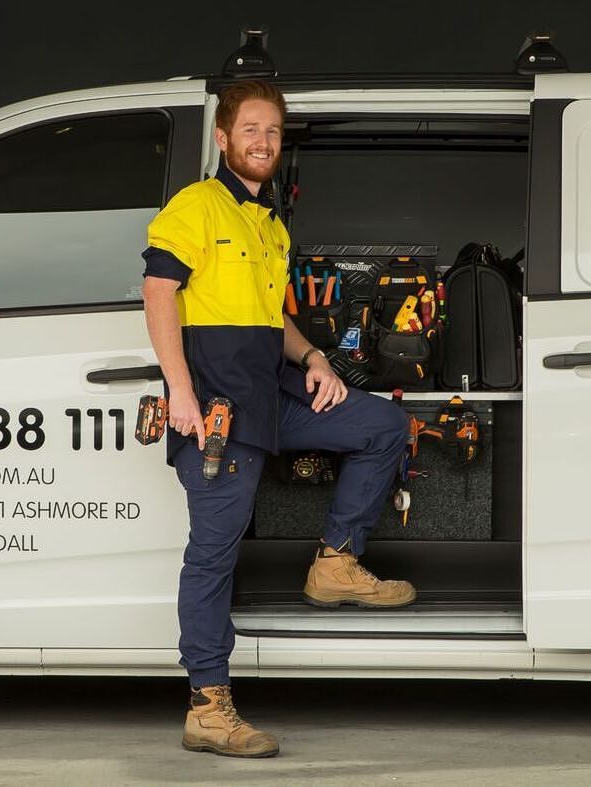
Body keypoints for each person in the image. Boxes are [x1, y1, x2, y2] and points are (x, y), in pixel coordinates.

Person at [141, 80, 414, 759]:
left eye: (272, 131)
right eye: (251, 129)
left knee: (381, 427)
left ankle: (335, 563)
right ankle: (208, 708)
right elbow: (158, 292)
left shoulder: (269, 223)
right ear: (223, 137)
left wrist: (314, 357)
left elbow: (270, 318)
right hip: (216, 411)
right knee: (213, 555)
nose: (263, 141)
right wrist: (180, 393)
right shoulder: (197, 205)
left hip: (270, 393)